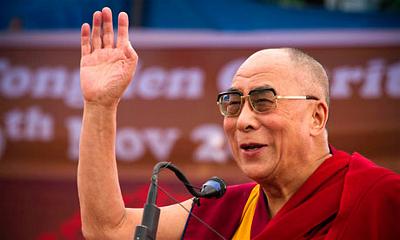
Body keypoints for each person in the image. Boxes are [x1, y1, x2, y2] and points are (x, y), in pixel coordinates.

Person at [78, 7, 400, 240]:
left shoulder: (380, 199)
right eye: (233, 104)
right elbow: (108, 229)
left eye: (263, 101)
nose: (243, 121)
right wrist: (100, 105)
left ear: (316, 116)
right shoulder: (231, 210)